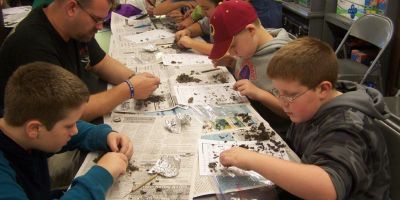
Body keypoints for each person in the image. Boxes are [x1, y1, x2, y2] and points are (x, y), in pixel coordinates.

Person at [219, 37, 391, 199]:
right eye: (278, 92)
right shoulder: (310, 107)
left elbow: (328, 187)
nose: (282, 101)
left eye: (290, 95)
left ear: (323, 89)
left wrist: (253, 160)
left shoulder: (349, 126)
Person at [0, 0, 161, 121]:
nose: (99, 27)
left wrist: (134, 78)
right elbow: (66, 112)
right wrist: (129, 90)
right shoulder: (32, 45)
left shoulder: (74, 27)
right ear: (71, 8)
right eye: (97, 19)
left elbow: (101, 62)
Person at [0, 62, 134, 199]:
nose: (75, 130)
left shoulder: (19, 127)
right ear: (34, 129)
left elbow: (71, 130)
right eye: (69, 126)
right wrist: (102, 174)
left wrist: (104, 135)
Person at [209, 0, 292, 134]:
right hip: (247, 118)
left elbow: (289, 112)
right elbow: (251, 70)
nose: (232, 52)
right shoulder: (249, 47)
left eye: (233, 46)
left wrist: (259, 93)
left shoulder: (284, 60)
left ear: (251, 30)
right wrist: (232, 62)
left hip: (274, 131)